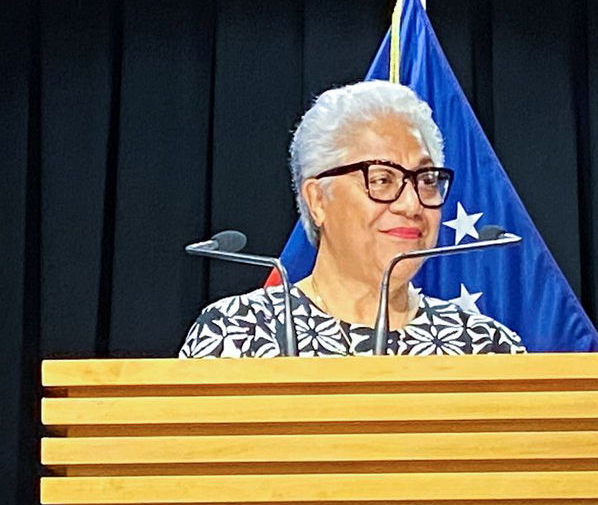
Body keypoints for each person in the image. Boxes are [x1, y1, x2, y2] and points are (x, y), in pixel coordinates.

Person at [180, 81, 524, 357]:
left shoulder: (483, 346)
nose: (411, 204)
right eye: (382, 180)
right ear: (318, 200)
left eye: (426, 180)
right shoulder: (238, 333)